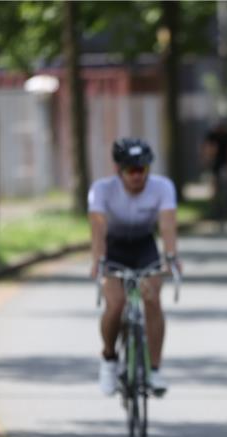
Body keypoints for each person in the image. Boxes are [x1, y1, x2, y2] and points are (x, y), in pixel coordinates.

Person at [89, 138, 179, 397]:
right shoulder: (101, 190)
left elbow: (168, 225)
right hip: (113, 248)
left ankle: (154, 368)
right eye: (131, 171)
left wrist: (171, 256)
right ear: (119, 170)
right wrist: (98, 259)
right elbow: (98, 228)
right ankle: (108, 358)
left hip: (143, 246)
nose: (138, 176)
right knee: (115, 303)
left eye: (143, 170)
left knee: (151, 298)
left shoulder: (162, 187)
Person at [202, 118, 227, 222]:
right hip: (216, 163)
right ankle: (215, 210)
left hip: (226, 163)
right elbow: (208, 149)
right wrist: (208, 160)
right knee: (214, 187)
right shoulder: (212, 135)